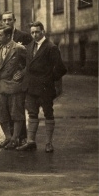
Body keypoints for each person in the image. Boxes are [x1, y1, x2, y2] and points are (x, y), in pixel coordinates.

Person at [17, 21, 67, 153]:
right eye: (32, 32)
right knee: (32, 113)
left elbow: (61, 69)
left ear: (43, 32)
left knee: (48, 114)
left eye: (37, 32)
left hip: (45, 88)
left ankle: (49, 143)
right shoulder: (29, 46)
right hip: (31, 87)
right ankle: (30, 142)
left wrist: (49, 79)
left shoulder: (51, 47)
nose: (34, 34)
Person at [0, 26, 27, 150]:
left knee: (16, 112)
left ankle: (15, 138)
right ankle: (7, 137)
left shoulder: (18, 48)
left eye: (0, 35)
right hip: (1, 85)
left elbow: (31, 62)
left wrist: (22, 73)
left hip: (14, 85)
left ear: (8, 36)